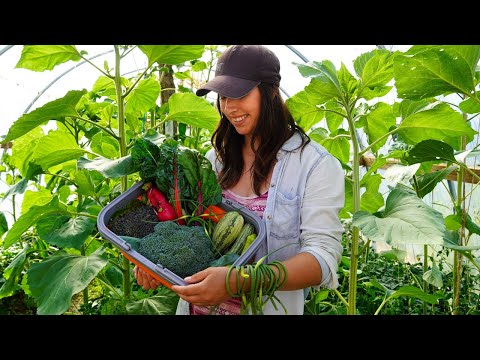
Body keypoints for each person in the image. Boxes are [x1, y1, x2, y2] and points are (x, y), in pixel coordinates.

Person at [133, 45, 345, 315]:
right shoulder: (214, 160)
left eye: (240, 94)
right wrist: (153, 262)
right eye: (223, 95)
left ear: (270, 92)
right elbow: (187, 227)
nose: (229, 107)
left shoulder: (315, 166)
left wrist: (240, 281)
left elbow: (323, 259)